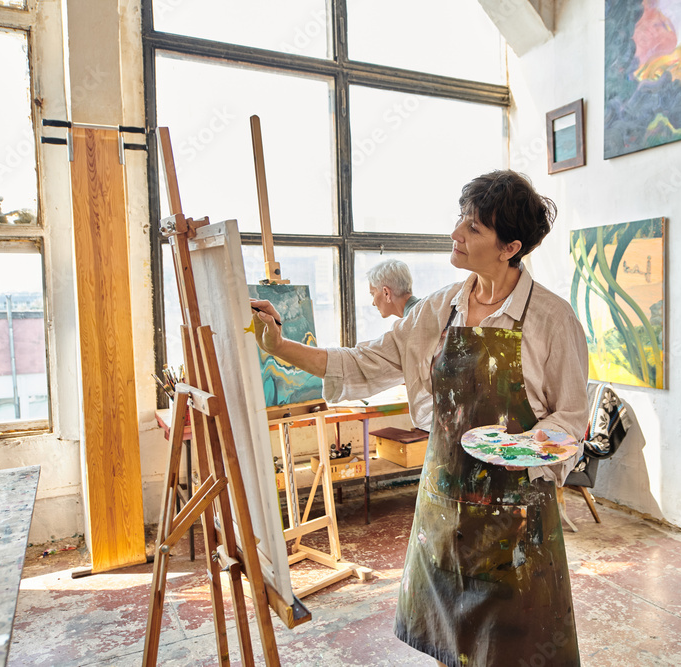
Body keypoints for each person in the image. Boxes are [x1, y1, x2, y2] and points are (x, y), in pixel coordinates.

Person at [251, 170, 587, 667]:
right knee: (451, 643)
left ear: (509, 247)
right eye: (461, 219)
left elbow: (572, 420)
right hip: (444, 506)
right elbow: (362, 362)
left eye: (473, 228)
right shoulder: (438, 309)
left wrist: (525, 445)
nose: (456, 233)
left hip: (514, 517)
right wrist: (279, 347)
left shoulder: (552, 320)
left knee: (513, 649)